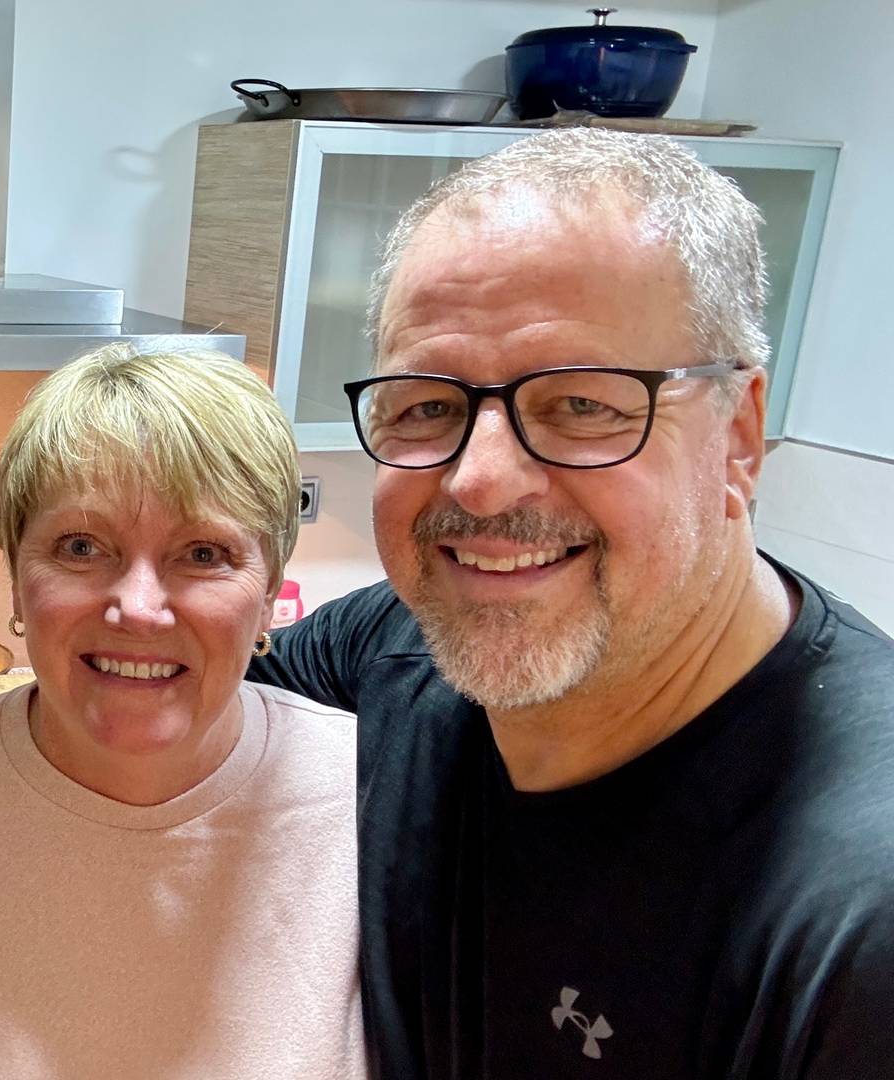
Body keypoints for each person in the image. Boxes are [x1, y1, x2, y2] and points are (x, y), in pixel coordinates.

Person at [247, 128, 894, 1078]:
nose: (481, 482)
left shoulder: (856, 916)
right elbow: (187, 708)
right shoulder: (392, 656)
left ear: (740, 438)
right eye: (427, 405)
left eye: (582, 404)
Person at [0, 344, 364, 1078]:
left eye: (204, 554)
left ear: (271, 588)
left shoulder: (371, 805)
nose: (139, 608)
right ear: (15, 578)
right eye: (82, 546)